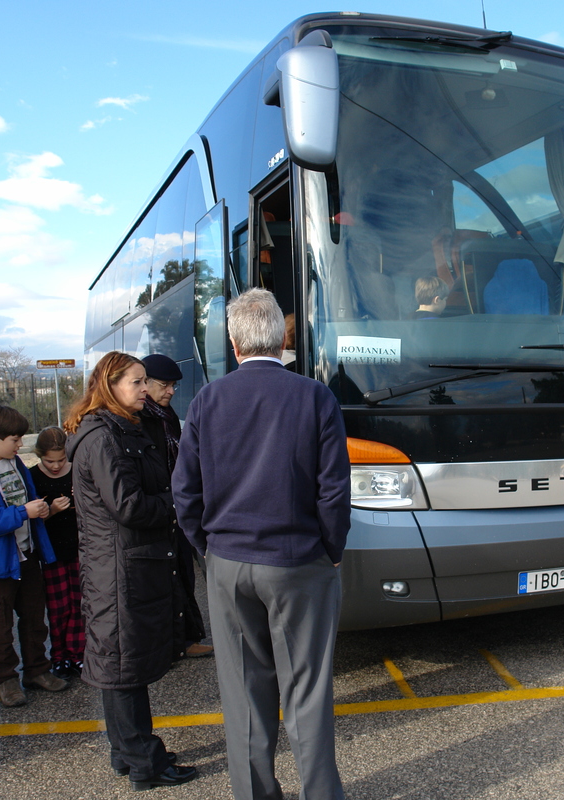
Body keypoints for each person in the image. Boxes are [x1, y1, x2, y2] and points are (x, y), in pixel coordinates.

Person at [173, 288, 351, 800]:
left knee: (246, 696)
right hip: (298, 561)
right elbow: (334, 491)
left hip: (229, 561)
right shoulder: (316, 396)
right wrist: (331, 549)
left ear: (233, 342)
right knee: (307, 693)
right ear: (280, 337)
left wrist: (209, 548)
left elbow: (185, 490)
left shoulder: (207, 400)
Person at [64, 352, 198, 790]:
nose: (145, 389)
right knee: (124, 666)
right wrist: (178, 505)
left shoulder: (119, 429)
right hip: (119, 567)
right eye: (137, 382)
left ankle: (126, 752)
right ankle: (145, 761)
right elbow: (128, 505)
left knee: (117, 662)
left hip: (119, 563)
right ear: (110, 385)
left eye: (145, 381)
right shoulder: (104, 436)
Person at [0, 405, 70, 708]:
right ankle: (6, 680)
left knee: (34, 618)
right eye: (15, 439)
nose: (20, 445)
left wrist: (39, 510)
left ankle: (37, 671)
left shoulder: (14, 463)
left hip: (27, 555)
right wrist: (23, 512)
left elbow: (26, 503)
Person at [139, 353, 213, 659]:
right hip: (160, 508)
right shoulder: (142, 417)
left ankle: (186, 638)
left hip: (176, 506)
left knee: (183, 572)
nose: (171, 391)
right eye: (165, 385)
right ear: (146, 384)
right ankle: (171, 643)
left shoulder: (165, 415)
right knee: (164, 579)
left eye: (173, 385)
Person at [29, 426, 84, 679]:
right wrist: (51, 510)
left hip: (78, 549)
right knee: (57, 607)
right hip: (51, 553)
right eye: (49, 461)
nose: (55, 466)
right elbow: (30, 521)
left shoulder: (77, 472)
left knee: (79, 603)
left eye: (61, 460)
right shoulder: (33, 478)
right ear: (40, 456)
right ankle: (59, 655)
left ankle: (78, 652)